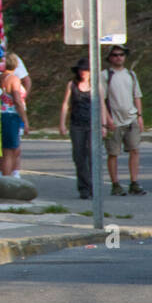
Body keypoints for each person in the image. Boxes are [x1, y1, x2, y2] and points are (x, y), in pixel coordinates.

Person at [100, 45, 146, 195]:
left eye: (121, 54)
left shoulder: (131, 74)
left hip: (131, 118)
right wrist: (107, 119)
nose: (119, 57)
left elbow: (137, 96)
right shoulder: (105, 75)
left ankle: (134, 182)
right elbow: (101, 99)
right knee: (113, 153)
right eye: (115, 55)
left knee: (134, 150)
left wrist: (139, 116)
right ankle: (115, 184)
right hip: (114, 119)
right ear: (110, 57)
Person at [59, 58, 94, 200]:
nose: (83, 72)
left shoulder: (96, 85)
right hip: (77, 124)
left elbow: (101, 105)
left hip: (93, 124)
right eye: (81, 70)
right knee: (79, 157)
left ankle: (93, 185)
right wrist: (62, 123)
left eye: (86, 70)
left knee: (93, 156)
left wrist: (104, 124)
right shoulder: (72, 85)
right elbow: (65, 105)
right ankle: (84, 187)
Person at [0, 53, 29, 176]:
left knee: (1, 149)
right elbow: (17, 100)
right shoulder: (14, 79)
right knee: (10, 150)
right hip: (11, 116)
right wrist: (25, 120)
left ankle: (0, 173)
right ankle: (8, 177)